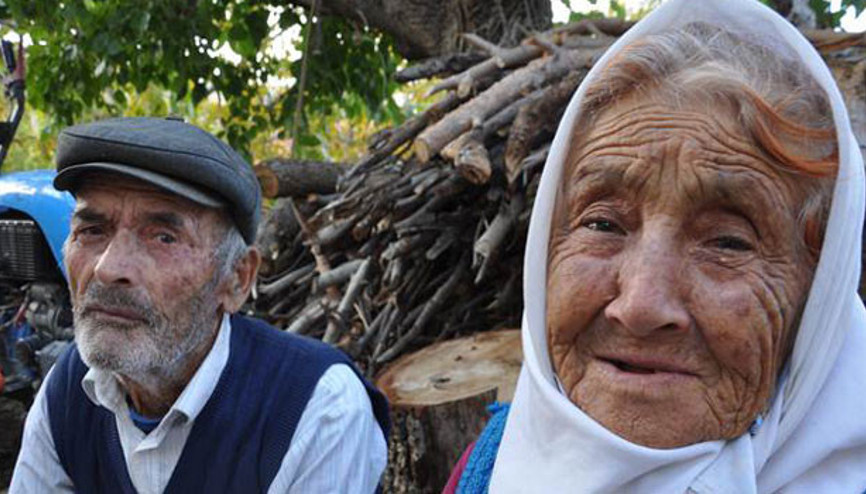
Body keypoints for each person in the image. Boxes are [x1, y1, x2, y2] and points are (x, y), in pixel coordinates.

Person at [445, 0, 866, 492]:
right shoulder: (490, 464)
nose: (641, 306)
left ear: (818, 293)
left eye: (728, 242)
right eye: (602, 225)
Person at [9, 117, 390, 493]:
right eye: (92, 230)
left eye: (163, 237)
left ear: (237, 279)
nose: (109, 269)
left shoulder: (316, 407)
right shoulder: (67, 391)